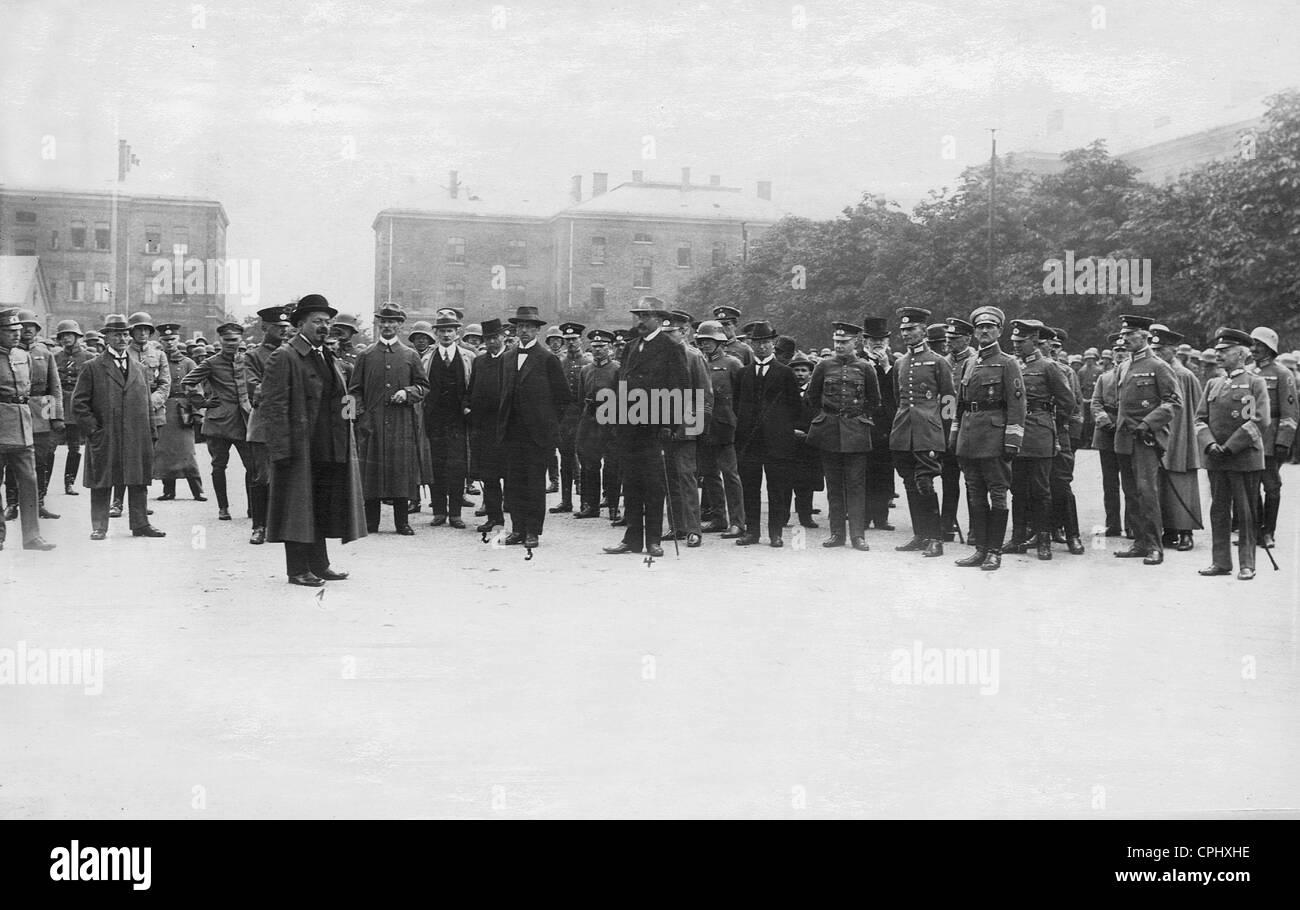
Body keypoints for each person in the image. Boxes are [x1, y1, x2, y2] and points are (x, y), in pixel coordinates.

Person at [262, 294, 366, 586]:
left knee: (319, 505)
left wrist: (350, 424)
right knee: (296, 508)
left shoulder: (328, 355)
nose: (324, 326)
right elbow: (273, 406)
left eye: (327, 321)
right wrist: (281, 450)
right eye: (317, 321)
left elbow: (345, 396)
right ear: (300, 324)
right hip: (300, 447)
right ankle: (297, 569)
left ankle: (320, 564)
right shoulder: (285, 356)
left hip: (330, 445)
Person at [603, 299, 689, 556]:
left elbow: (680, 389)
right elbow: (621, 383)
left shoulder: (670, 347)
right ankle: (632, 538)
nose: (639, 321)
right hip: (629, 427)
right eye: (637, 315)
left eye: (645, 316)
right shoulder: (630, 347)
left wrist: (668, 424)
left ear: (658, 318)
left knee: (653, 485)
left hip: (654, 428)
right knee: (630, 483)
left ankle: (653, 540)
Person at [70, 314, 165, 541]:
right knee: (102, 480)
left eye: (125, 334)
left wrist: (151, 433)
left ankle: (141, 524)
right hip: (106, 434)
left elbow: (147, 404)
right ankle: (100, 526)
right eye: (116, 334)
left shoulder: (140, 369)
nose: (122, 338)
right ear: (106, 337)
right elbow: (79, 404)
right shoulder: (92, 367)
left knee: (138, 479)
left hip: (136, 435)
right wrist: (94, 431)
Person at [949, 306, 1025, 571]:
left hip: (994, 438)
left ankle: (995, 552)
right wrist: (955, 435)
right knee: (975, 494)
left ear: (999, 331)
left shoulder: (1008, 363)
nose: (983, 331)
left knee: (998, 494)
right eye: (980, 327)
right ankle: (980, 549)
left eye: (989, 327)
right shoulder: (970, 363)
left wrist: (1012, 440)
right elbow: (961, 403)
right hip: (969, 438)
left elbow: (1017, 406)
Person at [1197, 328, 1269, 580]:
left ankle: (1247, 564)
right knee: (1218, 510)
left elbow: (1258, 420)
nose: (1218, 355)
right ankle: (1220, 562)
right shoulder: (1213, 384)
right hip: (1216, 459)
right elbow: (1200, 419)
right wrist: (1210, 445)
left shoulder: (1254, 382)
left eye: (1224, 351)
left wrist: (1230, 447)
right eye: (1217, 351)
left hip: (1243, 458)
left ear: (1241, 355)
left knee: (1246, 512)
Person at [1113, 314, 1180, 565]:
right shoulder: (1123, 366)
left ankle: (1155, 546)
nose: (1125, 339)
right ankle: (1139, 541)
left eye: (1130, 335)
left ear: (1144, 336)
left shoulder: (1159, 366)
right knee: (1130, 492)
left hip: (1146, 438)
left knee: (1146, 491)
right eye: (1123, 335)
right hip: (1124, 438)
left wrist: (1148, 424)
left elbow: (1173, 403)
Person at [499, 305, 568, 549]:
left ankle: (532, 531)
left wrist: (548, 425)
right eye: (520, 327)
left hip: (537, 435)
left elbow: (562, 398)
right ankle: (517, 529)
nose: (524, 331)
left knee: (534, 484)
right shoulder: (507, 357)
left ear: (537, 330)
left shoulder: (547, 358)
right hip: (512, 431)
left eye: (529, 327)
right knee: (514, 482)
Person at [806, 321, 878, 550]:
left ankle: (858, 535)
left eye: (844, 342)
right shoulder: (823, 366)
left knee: (856, 486)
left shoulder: (866, 368)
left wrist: (856, 417)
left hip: (856, 433)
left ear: (855, 342)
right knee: (834, 485)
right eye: (836, 342)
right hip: (828, 432)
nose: (839, 346)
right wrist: (826, 417)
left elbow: (874, 401)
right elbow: (812, 397)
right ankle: (837, 534)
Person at [890, 308, 956, 558]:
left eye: (911, 329)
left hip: (928, 431)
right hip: (903, 431)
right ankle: (920, 535)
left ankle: (935, 538)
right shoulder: (900, 362)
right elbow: (899, 399)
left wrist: (945, 432)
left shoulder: (938, 361)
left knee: (925, 483)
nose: (906, 334)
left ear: (923, 331)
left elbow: (949, 397)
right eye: (903, 330)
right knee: (909, 484)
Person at [1005, 320, 1074, 561]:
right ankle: (1017, 539)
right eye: (1013, 342)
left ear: (1034, 341)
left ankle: (1044, 539)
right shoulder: (1011, 365)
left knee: (1041, 489)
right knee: (1017, 489)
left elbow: (1067, 401)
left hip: (1040, 432)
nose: (1015, 346)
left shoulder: (1048, 367)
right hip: (1017, 433)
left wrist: (1051, 424)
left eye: (1020, 342)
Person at [733, 320, 801, 548]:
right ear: (751, 345)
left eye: (766, 342)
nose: (762, 347)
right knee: (750, 488)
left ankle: (775, 533)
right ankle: (752, 532)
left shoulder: (785, 373)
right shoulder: (742, 374)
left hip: (777, 442)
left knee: (777, 489)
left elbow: (795, 408)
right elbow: (736, 405)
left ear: (773, 344)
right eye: (757, 343)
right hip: (749, 442)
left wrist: (782, 430)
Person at [183, 321, 253, 522]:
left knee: (252, 467)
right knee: (219, 466)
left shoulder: (247, 361)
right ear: (220, 340)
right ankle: (223, 508)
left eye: (235, 340)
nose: (231, 343)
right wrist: (203, 402)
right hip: (218, 424)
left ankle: (252, 507)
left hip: (243, 422)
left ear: (240, 340)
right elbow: (187, 382)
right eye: (227, 340)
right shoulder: (211, 363)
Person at [0, 308, 55, 550]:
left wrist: (50, 419)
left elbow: (33, 392)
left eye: (18, 330)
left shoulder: (25, 356)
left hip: (24, 427)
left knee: (30, 481)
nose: (16, 334)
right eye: (10, 331)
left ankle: (32, 536)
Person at [242, 305, 293, 544]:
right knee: (262, 477)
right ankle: (259, 526)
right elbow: (256, 389)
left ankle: (280, 524)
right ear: (265, 328)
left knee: (287, 476)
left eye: (285, 327)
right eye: (278, 327)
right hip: (263, 425)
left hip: (289, 425)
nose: (283, 331)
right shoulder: (253, 356)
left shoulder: (293, 353)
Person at [1150, 325, 1203, 551]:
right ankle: (1169, 529)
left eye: (1161, 349)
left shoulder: (1184, 375)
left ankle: (1186, 532)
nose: (1157, 352)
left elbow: (1198, 409)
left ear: (1173, 349)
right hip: (1160, 432)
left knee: (1182, 482)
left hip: (1181, 435)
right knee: (1161, 484)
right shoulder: (1156, 371)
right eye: (1154, 349)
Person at [662, 311, 711, 547]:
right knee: (669, 477)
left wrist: (698, 427)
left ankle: (694, 528)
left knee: (687, 477)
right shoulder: (659, 356)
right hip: (663, 427)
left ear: (684, 332)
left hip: (686, 426)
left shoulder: (693, 356)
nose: (667, 336)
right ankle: (676, 525)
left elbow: (705, 395)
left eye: (671, 332)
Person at [693, 320, 745, 537]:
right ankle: (718, 518)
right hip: (703, 426)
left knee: (730, 475)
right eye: (702, 341)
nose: (705, 345)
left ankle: (738, 522)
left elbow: (743, 396)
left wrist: (738, 423)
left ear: (720, 342)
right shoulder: (697, 362)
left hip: (725, 426)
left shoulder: (732, 364)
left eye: (709, 341)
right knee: (709, 475)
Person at [420, 312, 472, 528]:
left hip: (459, 420)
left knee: (457, 466)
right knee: (437, 464)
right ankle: (439, 511)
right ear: (436, 333)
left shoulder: (469, 357)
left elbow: (473, 386)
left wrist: (469, 406)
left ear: (457, 333)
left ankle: (456, 513)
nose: (446, 334)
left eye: (450, 330)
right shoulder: (426, 359)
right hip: (435, 420)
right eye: (442, 331)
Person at [1248, 326, 1297, 549]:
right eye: (1253, 344)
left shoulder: (1282, 374)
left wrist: (1283, 442)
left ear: (1270, 348)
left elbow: (1290, 413)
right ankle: (1254, 531)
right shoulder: (1247, 372)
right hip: (1249, 437)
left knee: (1271, 487)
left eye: (1259, 345)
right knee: (1251, 486)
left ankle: (1268, 532)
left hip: (1270, 439)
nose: (1254, 348)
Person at [152, 323, 206, 503]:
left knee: (187, 452)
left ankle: (197, 490)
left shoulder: (188, 362)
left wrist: (197, 412)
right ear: (160, 341)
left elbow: (196, 388)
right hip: (162, 408)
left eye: (172, 339)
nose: (169, 343)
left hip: (183, 410)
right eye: (165, 340)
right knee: (164, 451)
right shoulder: (156, 360)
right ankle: (169, 491)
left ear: (178, 340)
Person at [1043, 327, 1085, 555]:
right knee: (1037, 484)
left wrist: (1071, 436)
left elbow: (1074, 405)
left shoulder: (1066, 371)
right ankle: (1042, 529)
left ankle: (1071, 534)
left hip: (1061, 433)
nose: (1049, 349)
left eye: (1054, 346)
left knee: (1061, 484)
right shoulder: (1024, 368)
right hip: (1036, 434)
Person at [466, 318, 509, 533]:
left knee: (510, 475)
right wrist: (468, 408)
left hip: (506, 428)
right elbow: (472, 389)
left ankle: (517, 521)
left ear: (504, 337)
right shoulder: (479, 361)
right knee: (489, 477)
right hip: (483, 428)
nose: (492, 342)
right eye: (488, 338)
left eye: (495, 337)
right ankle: (494, 518)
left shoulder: (511, 360)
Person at [574, 328, 621, 522]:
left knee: (612, 465)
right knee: (589, 464)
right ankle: (590, 505)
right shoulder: (586, 370)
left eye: (602, 347)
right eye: (594, 347)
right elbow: (579, 398)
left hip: (610, 420)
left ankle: (612, 506)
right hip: (590, 420)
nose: (598, 350)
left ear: (610, 348)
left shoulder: (617, 369)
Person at [1091, 334, 1134, 538]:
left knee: (1129, 482)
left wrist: (1122, 423)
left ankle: (1132, 525)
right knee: (1110, 483)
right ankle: (1113, 524)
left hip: (1126, 432)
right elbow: (1096, 403)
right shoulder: (1104, 377)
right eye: (1116, 351)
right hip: (1107, 435)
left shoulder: (1133, 376)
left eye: (1123, 351)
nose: (1119, 354)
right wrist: (1105, 421)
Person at [861, 315, 897, 530]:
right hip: (864, 424)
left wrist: (885, 367)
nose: (877, 343)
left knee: (884, 472)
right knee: (863, 472)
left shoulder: (894, 364)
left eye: (881, 339)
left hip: (886, 426)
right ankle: (863, 516)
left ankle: (881, 517)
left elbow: (897, 393)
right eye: (873, 339)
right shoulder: (857, 361)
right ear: (865, 341)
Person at [940, 317, 975, 541]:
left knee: (973, 482)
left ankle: (976, 528)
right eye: (947, 338)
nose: (949, 342)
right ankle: (947, 526)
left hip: (970, 428)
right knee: (948, 479)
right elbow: (945, 398)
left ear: (967, 339)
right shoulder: (943, 362)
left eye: (954, 338)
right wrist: (946, 424)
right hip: (947, 428)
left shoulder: (975, 360)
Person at [53, 319, 94, 497]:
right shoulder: (54, 357)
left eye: (69, 335)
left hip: (77, 405)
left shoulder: (88, 358)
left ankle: (69, 483)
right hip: (57, 404)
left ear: (77, 336)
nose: (66, 339)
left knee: (74, 447)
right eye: (62, 336)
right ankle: (44, 485)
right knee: (50, 446)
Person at [550, 322, 588, 514]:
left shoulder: (588, 362)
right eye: (568, 340)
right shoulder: (560, 362)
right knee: (565, 456)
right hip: (565, 416)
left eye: (574, 339)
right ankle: (566, 501)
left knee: (587, 457)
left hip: (584, 414)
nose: (571, 343)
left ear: (581, 339)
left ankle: (587, 502)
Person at [789, 352, 822, 529]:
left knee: (806, 483)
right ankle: (782, 516)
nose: (800, 374)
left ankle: (805, 516)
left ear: (810, 373)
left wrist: (809, 434)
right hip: (788, 442)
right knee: (784, 481)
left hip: (809, 443)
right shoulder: (784, 391)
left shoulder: (816, 393)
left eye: (803, 370)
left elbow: (819, 415)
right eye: (796, 370)